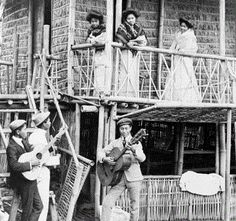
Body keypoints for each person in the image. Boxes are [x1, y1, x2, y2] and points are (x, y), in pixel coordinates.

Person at [98, 118, 146, 221]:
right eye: (122, 128)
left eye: (126, 128)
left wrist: (133, 150)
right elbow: (101, 152)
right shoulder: (115, 143)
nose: (124, 131)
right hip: (118, 178)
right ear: (119, 129)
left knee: (134, 207)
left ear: (130, 128)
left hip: (134, 178)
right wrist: (104, 159)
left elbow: (142, 158)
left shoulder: (136, 143)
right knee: (107, 203)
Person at [7, 119, 43, 221]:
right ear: (18, 132)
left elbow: (31, 154)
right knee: (27, 211)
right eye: (24, 129)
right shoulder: (11, 147)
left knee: (39, 207)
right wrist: (31, 164)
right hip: (22, 181)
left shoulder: (24, 142)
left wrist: (44, 149)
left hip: (30, 178)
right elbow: (14, 165)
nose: (26, 131)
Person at [165, 17, 200, 102]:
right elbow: (174, 45)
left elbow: (192, 48)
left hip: (185, 58)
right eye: (181, 26)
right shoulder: (178, 34)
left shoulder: (190, 36)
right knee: (176, 75)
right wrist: (171, 51)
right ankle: (174, 97)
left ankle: (186, 98)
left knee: (185, 75)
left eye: (184, 27)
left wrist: (182, 51)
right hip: (177, 58)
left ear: (188, 27)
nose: (182, 28)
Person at [116, 8, 147, 97]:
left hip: (135, 53)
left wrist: (138, 43)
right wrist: (127, 43)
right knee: (125, 72)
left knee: (134, 73)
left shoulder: (138, 28)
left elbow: (143, 39)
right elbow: (120, 37)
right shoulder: (122, 27)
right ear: (126, 19)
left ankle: (132, 96)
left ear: (135, 18)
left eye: (132, 18)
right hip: (126, 51)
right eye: (128, 18)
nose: (130, 20)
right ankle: (123, 95)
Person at [28, 112, 51, 221]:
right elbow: (41, 157)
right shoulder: (40, 137)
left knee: (37, 203)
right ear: (44, 124)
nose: (50, 122)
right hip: (40, 171)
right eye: (49, 121)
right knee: (43, 202)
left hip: (33, 171)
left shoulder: (34, 135)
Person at [86, 10, 110, 96]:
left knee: (103, 70)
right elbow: (88, 40)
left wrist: (93, 40)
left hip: (104, 53)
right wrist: (92, 40)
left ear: (99, 21)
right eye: (92, 21)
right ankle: (97, 92)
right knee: (97, 72)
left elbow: (102, 40)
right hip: (96, 53)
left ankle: (103, 92)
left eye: (96, 21)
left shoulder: (103, 30)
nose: (94, 23)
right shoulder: (91, 31)